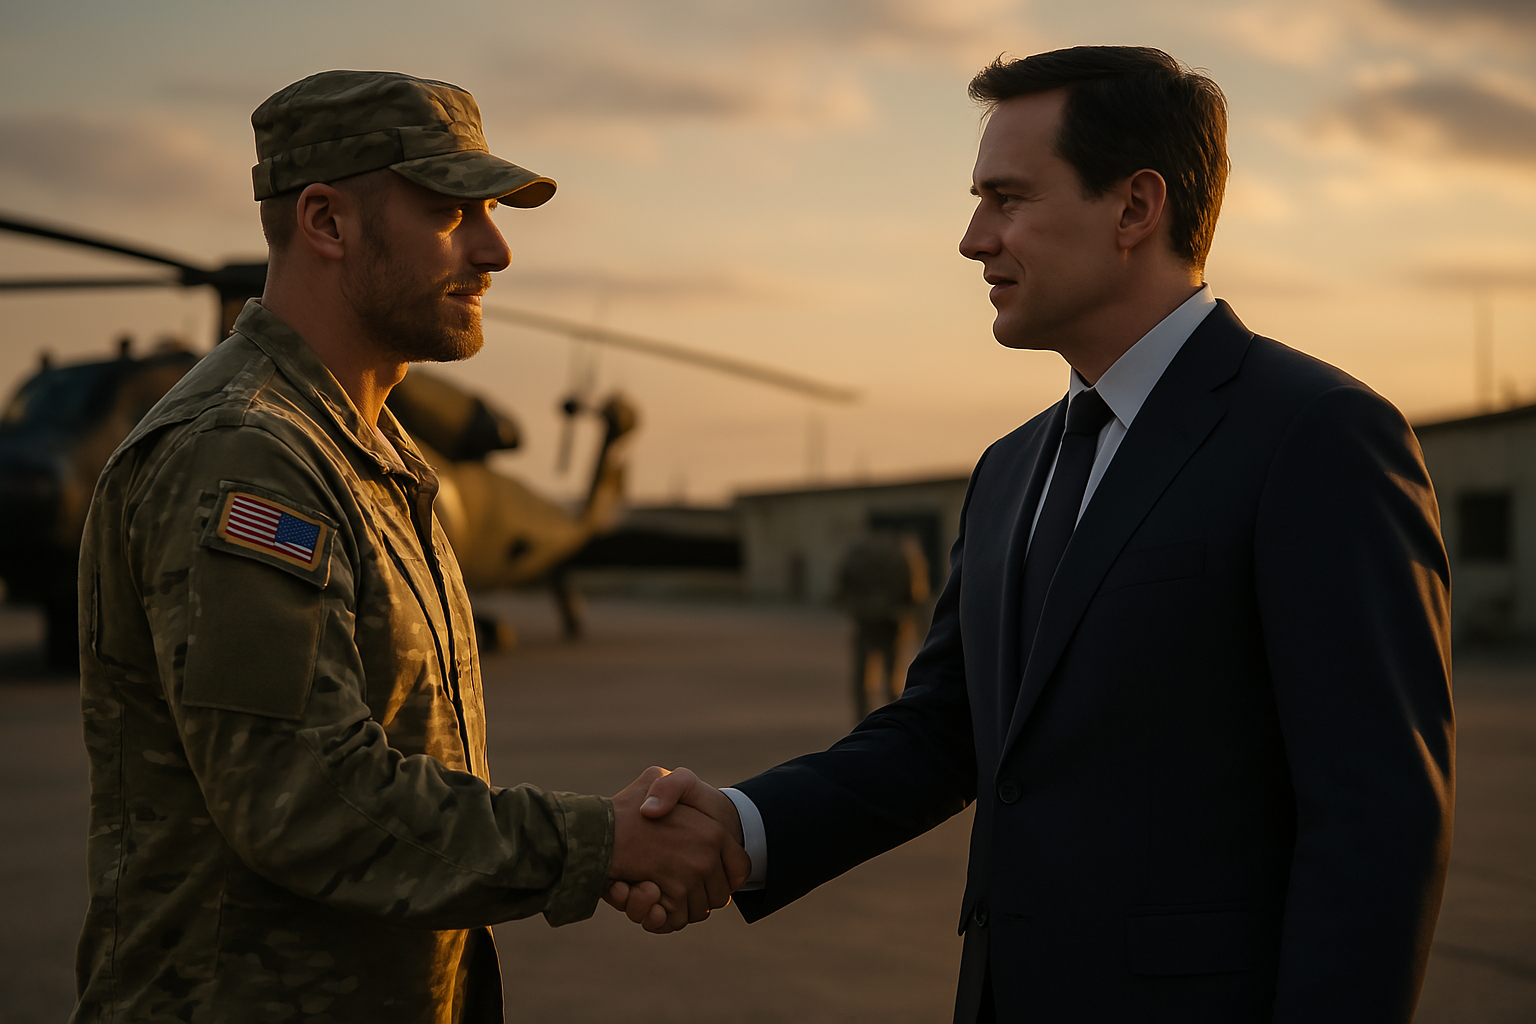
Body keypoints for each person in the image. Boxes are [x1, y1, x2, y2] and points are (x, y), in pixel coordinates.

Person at [616, 46, 1454, 1023]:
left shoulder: (1316, 436)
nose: (974, 238)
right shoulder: (1011, 467)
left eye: (1007, 198)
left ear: (1136, 208)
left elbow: (1377, 825)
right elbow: (944, 733)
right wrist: (744, 822)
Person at [72, 70, 747, 1024]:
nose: (496, 248)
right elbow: (307, 800)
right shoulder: (245, 454)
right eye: (450, 212)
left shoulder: (367, 451)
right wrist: (600, 844)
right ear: (326, 222)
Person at [834, 532, 930, 718]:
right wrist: (923, 635)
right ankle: (894, 723)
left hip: (866, 623)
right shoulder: (904, 553)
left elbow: (839, 591)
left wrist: (859, 605)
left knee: (861, 680)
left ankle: (861, 724)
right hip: (892, 624)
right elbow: (915, 595)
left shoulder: (858, 552)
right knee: (893, 681)